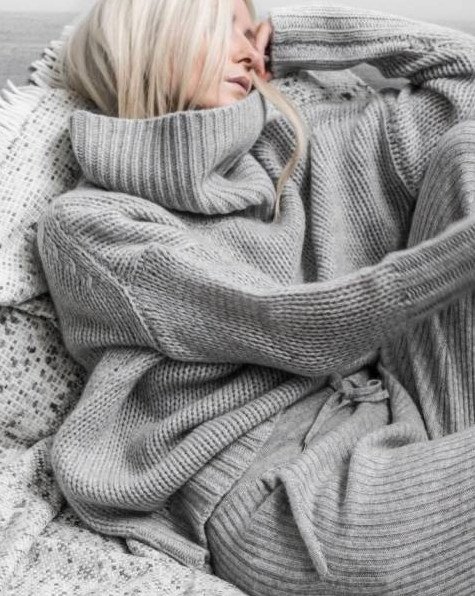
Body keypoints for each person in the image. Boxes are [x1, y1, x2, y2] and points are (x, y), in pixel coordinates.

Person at [36, 0, 475, 594]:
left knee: (467, 149)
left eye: (254, 39)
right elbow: (294, 329)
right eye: (229, 32)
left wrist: (297, 34)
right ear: (156, 36)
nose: (249, 53)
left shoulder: (292, 151)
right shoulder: (92, 226)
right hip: (282, 494)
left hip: (401, 411)